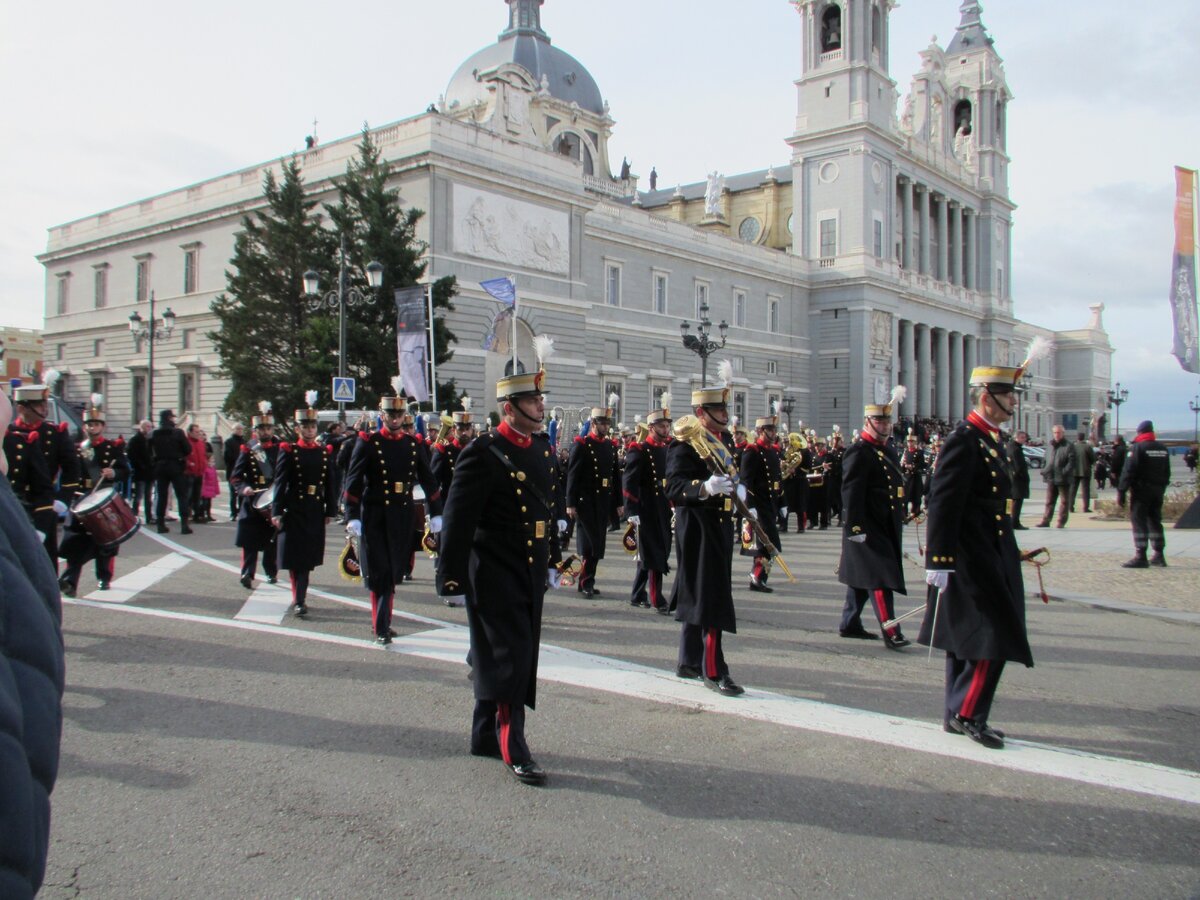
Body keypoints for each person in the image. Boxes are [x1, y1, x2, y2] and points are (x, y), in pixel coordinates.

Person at [436, 366, 562, 785]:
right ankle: (513, 745)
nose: (540, 405)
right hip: (493, 570)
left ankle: (483, 735)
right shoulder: (484, 452)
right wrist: (451, 577)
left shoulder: (542, 449)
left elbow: (546, 511)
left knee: (506, 653)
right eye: (533, 400)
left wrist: (554, 559)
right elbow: (458, 518)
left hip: (528, 569)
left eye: (540, 398)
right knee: (512, 657)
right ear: (510, 408)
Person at [919, 360, 1035, 750]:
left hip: (990, 549)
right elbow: (943, 503)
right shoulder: (965, 440)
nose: (1013, 404)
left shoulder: (990, 439)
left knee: (967, 638)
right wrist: (938, 561)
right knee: (991, 637)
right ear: (987, 399)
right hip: (972, 557)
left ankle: (957, 712)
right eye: (1007, 397)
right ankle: (968, 712)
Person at [0, 382, 65, 899]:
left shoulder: (52, 435)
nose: (31, 413)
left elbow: (66, 467)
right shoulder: (15, 441)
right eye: (27, 407)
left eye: (34, 407)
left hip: (37, 510)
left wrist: (67, 497)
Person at [344, 386, 442, 643]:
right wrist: (352, 514)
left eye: (399, 413)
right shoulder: (369, 442)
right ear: (382, 413)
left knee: (394, 570)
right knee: (380, 571)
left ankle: (383, 620)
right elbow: (353, 481)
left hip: (402, 514)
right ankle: (382, 626)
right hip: (376, 515)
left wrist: (435, 512)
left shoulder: (413, 444)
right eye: (391, 413)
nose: (396, 417)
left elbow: (429, 480)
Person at [667, 379, 745, 697]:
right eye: (717, 408)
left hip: (720, 526)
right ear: (701, 412)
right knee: (710, 597)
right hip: (698, 527)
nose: (725, 413)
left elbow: (733, 477)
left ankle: (688, 661)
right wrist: (704, 487)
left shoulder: (723, 442)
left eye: (725, 407)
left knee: (700, 593)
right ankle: (713, 669)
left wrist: (741, 496)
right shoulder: (683, 445)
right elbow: (673, 488)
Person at [837, 386, 911, 649]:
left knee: (862, 579)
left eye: (887, 420)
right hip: (867, 527)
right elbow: (851, 492)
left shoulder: (887, 450)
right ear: (867, 422)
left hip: (885, 524)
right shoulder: (859, 451)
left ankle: (849, 623)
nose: (885, 425)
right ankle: (891, 631)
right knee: (880, 577)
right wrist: (854, 526)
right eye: (879, 420)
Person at [57, 396, 131, 596]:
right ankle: (70, 582)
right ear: (85, 427)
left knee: (104, 540)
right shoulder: (79, 449)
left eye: (97, 424)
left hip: (103, 496)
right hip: (82, 497)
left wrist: (113, 473)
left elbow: (125, 471)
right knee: (75, 541)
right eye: (90, 424)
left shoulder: (112, 448)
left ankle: (104, 577)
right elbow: (69, 473)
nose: (93, 428)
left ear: (103, 427)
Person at [272, 398, 338, 615]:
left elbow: (330, 482)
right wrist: (277, 511)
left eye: (312, 427)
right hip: (294, 508)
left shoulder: (323, 451)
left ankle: (300, 595)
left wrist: (330, 509)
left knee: (308, 558)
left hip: (314, 508)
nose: (309, 431)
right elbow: (281, 482)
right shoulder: (289, 451)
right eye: (305, 427)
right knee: (296, 557)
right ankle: (299, 599)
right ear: (297, 429)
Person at [9, 375, 81, 566]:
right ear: (22, 408)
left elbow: (72, 469)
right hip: (13, 500)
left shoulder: (54, 433)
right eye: (39, 405)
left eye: (44, 404)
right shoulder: (9, 434)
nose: (45, 409)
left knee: (46, 557)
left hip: (44, 501)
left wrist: (62, 499)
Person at [622, 397, 674, 612]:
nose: (665, 429)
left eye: (667, 425)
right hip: (646, 508)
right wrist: (631, 511)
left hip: (662, 506)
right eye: (661, 425)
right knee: (653, 554)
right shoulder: (639, 450)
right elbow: (629, 482)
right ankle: (657, 598)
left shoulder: (668, 448)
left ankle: (637, 594)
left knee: (653, 552)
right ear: (651, 427)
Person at [565, 400, 622, 597]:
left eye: (608, 423)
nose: (606, 427)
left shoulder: (610, 446)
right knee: (589, 545)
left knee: (598, 545)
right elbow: (573, 475)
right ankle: (586, 581)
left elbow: (615, 477)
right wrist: (570, 503)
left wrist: (619, 503)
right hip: (585, 502)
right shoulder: (582, 445)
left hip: (603, 502)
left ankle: (587, 580)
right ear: (593, 423)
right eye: (602, 423)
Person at [230, 403, 281, 587]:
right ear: (255, 430)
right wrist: (244, 488)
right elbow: (236, 476)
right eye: (261, 428)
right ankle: (247, 573)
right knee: (249, 541)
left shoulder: (281, 448)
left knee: (271, 541)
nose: (265, 432)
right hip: (252, 502)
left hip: (272, 500)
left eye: (268, 428)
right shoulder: (249, 449)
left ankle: (271, 572)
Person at [740, 413, 785, 593]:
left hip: (770, 503)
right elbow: (746, 480)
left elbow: (778, 480)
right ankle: (758, 577)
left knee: (766, 543)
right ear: (760, 431)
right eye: (769, 430)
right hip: (758, 504)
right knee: (769, 543)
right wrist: (749, 505)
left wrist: (782, 502)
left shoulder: (773, 451)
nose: (773, 433)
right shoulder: (752, 451)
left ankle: (757, 577)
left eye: (774, 429)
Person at [1118, 420, 1171, 568]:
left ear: (1140, 432)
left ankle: (1141, 555)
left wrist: (1122, 490)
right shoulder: (1162, 448)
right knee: (1155, 521)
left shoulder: (1138, 448)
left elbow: (1129, 470)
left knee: (1139, 521)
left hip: (1141, 491)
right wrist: (1161, 487)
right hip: (1157, 491)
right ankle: (1159, 554)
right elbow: (1167, 472)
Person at [151, 409, 193, 535]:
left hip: (160, 465)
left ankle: (160, 524)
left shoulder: (155, 433)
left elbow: (150, 450)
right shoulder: (178, 432)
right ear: (170, 418)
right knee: (181, 495)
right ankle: (184, 524)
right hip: (175, 465)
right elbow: (187, 449)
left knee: (162, 496)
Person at [1036, 424, 1074, 528]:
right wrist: (1044, 470)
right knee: (1049, 501)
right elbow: (1046, 460)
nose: (1056, 435)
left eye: (1059, 432)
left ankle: (1061, 522)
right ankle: (1046, 521)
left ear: (1063, 433)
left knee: (1064, 501)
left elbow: (1071, 462)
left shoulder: (1068, 445)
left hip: (1063, 479)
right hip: (1051, 477)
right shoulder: (1050, 445)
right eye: (1055, 432)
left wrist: (1063, 472)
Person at [127, 418, 155, 523]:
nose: (149, 429)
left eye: (150, 427)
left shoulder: (150, 440)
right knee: (139, 495)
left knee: (148, 496)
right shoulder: (135, 439)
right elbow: (132, 455)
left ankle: (149, 517)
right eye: (147, 426)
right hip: (140, 472)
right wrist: (141, 466)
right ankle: (133, 516)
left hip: (150, 472)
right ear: (141, 427)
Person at [184, 423, 208, 522]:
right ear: (190, 432)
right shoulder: (186, 442)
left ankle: (197, 515)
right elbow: (184, 456)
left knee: (197, 495)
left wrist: (204, 466)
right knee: (188, 495)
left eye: (199, 432)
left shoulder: (200, 443)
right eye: (196, 432)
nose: (198, 434)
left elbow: (203, 456)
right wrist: (189, 464)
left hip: (199, 472)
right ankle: (186, 514)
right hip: (189, 473)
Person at [900, 430, 927, 516]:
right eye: (908, 441)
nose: (910, 443)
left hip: (915, 477)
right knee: (905, 496)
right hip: (907, 477)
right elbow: (902, 466)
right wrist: (904, 466)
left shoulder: (919, 452)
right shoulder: (905, 452)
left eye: (911, 441)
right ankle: (904, 513)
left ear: (915, 442)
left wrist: (913, 467)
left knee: (916, 496)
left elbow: (922, 464)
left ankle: (915, 511)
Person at [1069, 432, 1096, 513]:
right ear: (1084, 438)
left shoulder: (1072, 447)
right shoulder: (1087, 447)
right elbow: (1093, 459)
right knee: (1085, 490)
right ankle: (1085, 507)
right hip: (1085, 471)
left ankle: (1070, 507)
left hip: (1074, 471)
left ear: (1077, 438)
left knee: (1072, 490)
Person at [223, 423, 245, 520]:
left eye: (241, 429)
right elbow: (227, 457)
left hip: (243, 472)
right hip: (232, 471)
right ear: (233, 430)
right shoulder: (228, 442)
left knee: (242, 494)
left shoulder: (244, 442)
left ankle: (241, 512)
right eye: (237, 429)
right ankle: (233, 513)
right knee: (233, 494)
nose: (240, 430)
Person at [1010, 430, 1030, 529]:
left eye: (1024, 437)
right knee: (1017, 502)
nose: (1024, 439)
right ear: (1016, 438)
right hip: (1017, 480)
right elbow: (1018, 466)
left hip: (1012, 479)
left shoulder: (1011, 446)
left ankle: (1012, 521)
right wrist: (1023, 476)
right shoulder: (1016, 449)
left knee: (1013, 501)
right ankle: (1014, 522)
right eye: (1022, 437)